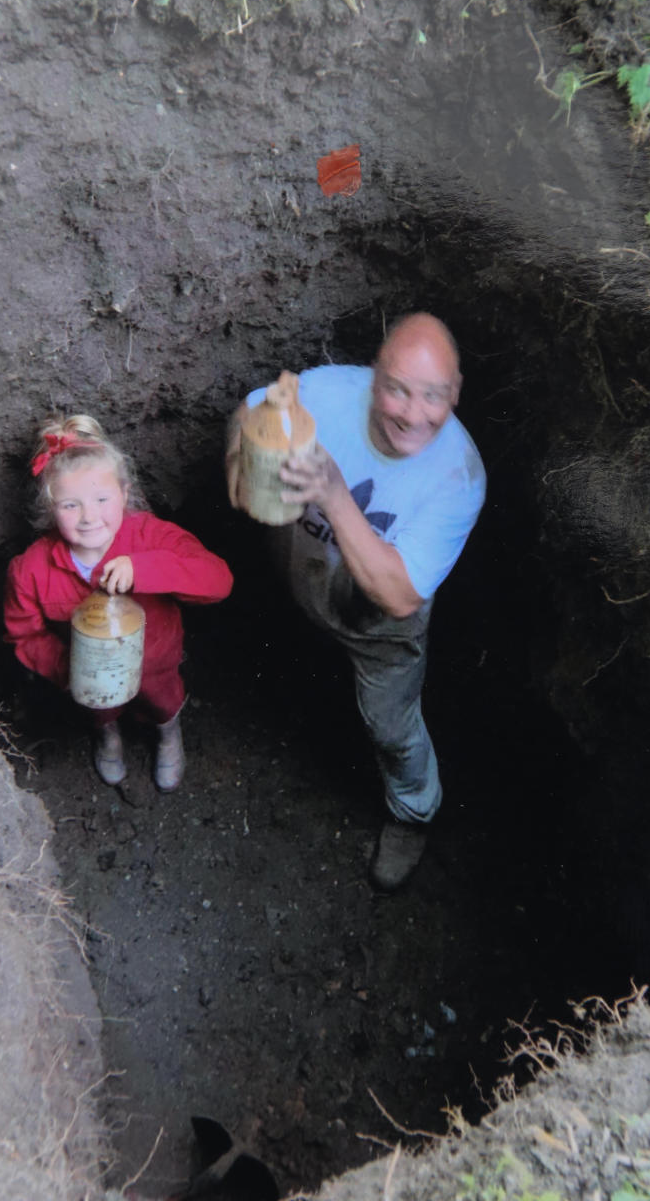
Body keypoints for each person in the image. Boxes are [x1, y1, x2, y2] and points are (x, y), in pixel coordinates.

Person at [226, 313, 485, 890]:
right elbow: (249, 412)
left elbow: (396, 595)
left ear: (456, 393)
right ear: (373, 378)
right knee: (290, 635)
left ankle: (413, 813)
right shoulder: (324, 393)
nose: (411, 414)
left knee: (392, 728)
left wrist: (333, 493)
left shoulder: (458, 478)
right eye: (396, 389)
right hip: (298, 580)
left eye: (432, 397)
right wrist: (238, 467)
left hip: (379, 632)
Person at [5, 414, 233, 789]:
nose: (89, 517)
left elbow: (218, 581)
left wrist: (145, 569)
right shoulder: (31, 569)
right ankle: (108, 738)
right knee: (99, 710)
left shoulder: (152, 537)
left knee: (163, 702)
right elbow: (23, 633)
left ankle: (168, 735)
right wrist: (67, 668)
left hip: (156, 663)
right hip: (90, 677)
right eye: (70, 505)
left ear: (125, 495)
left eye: (102, 499)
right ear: (50, 509)